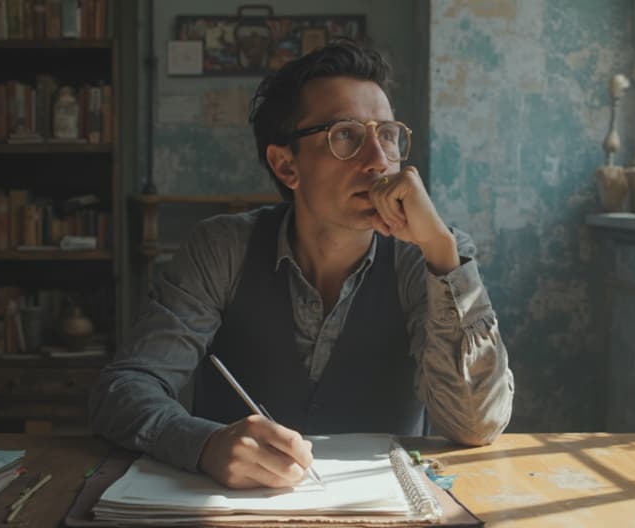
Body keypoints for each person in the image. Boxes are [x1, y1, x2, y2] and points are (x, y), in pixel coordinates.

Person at [89, 41, 513, 490]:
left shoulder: (430, 255)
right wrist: (204, 444)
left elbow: (476, 426)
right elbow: (123, 390)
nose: (379, 161)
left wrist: (443, 257)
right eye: (346, 135)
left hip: (381, 509)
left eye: (387, 134)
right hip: (233, 511)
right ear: (286, 165)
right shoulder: (222, 247)